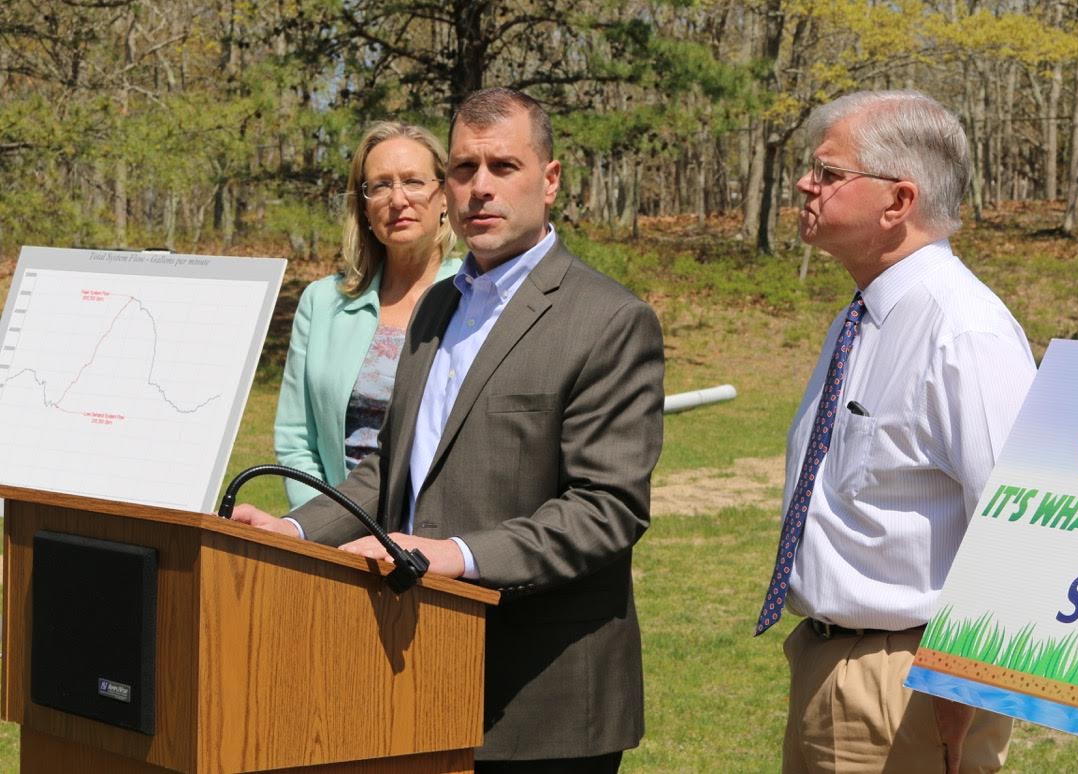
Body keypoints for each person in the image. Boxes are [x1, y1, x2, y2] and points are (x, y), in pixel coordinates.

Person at [234, 88, 664, 773]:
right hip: (417, 673)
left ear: (549, 181)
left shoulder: (607, 320)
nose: (480, 189)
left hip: (540, 701)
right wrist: (294, 532)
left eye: (504, 167)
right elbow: (391, 468)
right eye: (464, 169)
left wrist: (455, 554)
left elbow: (606, 510)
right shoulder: (438, 306)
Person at [755, 90, 1036, 774]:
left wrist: (958, 698)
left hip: (908, 684)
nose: (804, 184)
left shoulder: (962, 330)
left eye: (828, 172)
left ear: (898, 201)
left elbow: (1018, 531)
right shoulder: (864, 315)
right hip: (830, 661)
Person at [274, 121, 461, 508]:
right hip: (335, 537)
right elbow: (295, 440)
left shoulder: (475, 296)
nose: (397, 200)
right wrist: (323, 529)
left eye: (413, 181)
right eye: (379, 185)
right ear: (364, 207)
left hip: (437, 543)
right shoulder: (323, 302)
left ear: (443, 196)